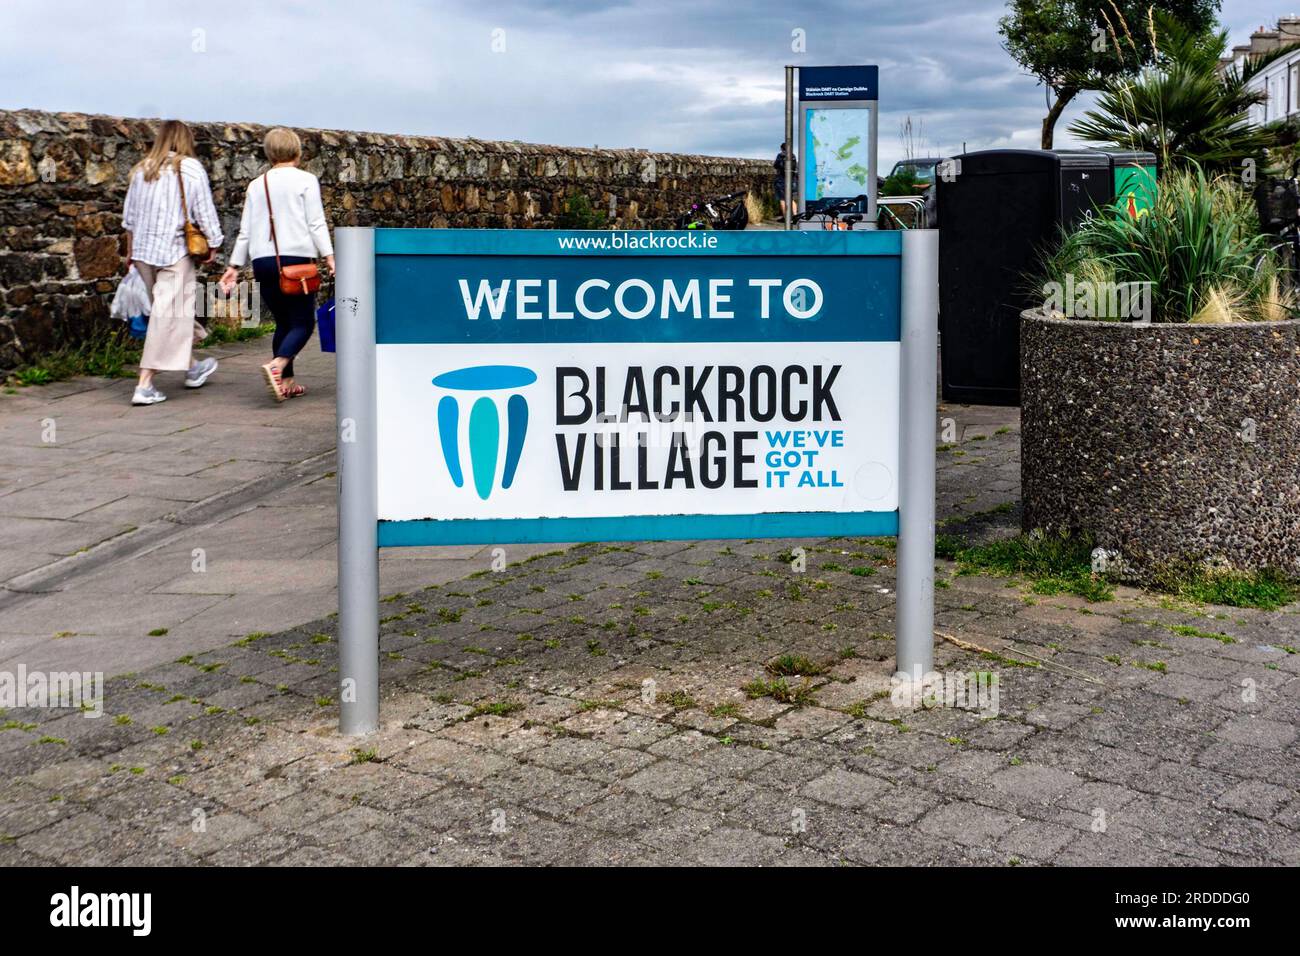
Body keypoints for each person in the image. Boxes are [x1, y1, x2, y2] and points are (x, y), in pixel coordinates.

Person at [220, 128, 334, 401]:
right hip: (296, 262)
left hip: (263, 262)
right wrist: (329, 256)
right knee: (304, 323)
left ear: (269, 153)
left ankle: (286, 383)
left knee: (283, 323)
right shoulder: (306, 180)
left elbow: (245, 231)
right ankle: (278, 365)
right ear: (297, 151)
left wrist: (234, 267)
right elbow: (316, 222)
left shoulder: (256, 185)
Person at [121, 120, 223, 406]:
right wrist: (213, 244)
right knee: (167, 314)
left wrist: (130, 254)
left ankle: (192, 367)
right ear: (185, 139)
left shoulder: (143, 169)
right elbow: (204, 211)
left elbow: (128, 219)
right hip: (174, 251)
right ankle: (145, 384)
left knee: (169, 310)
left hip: (143, 252)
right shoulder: (190, 168)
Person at [774, 142, 798, 219]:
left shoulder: (780, 155)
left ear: (781, 148)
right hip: (792, 179)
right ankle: (795, 215)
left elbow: (775, 165)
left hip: (782, 180)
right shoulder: (793, 155)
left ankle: (786, 218)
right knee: (791, 199)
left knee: (782, 199)